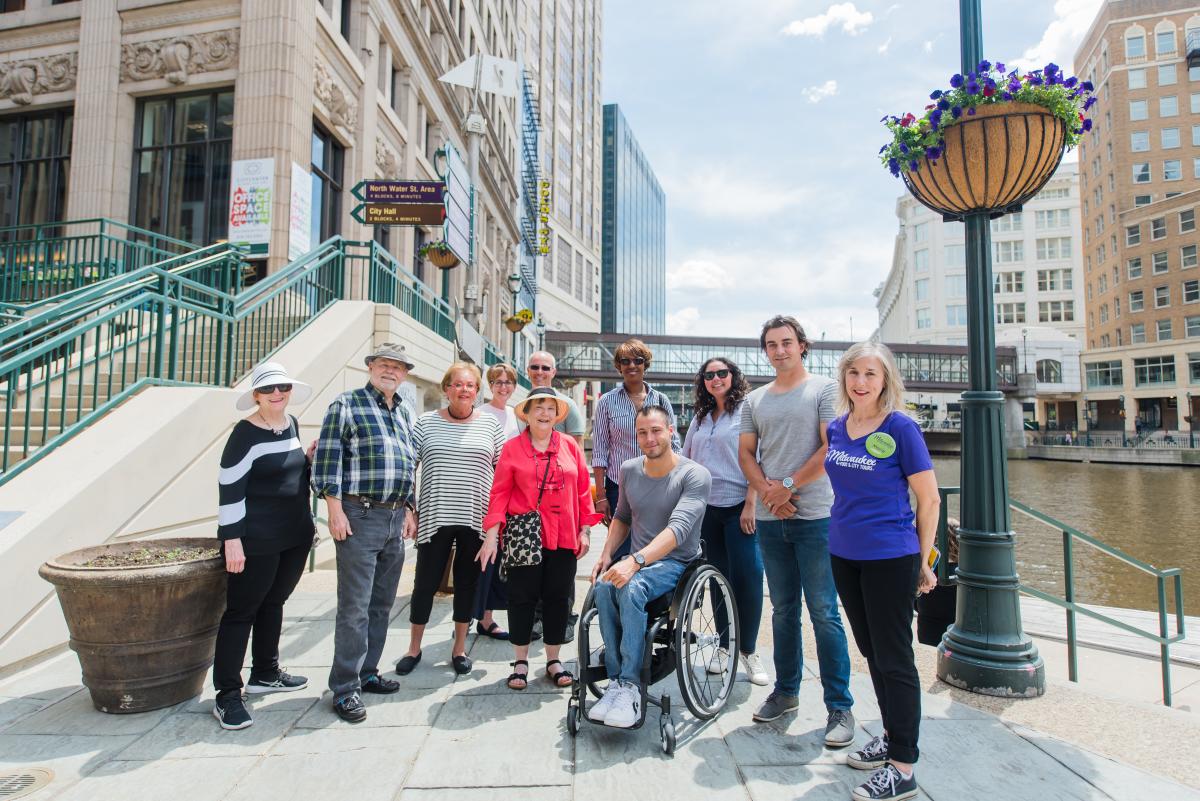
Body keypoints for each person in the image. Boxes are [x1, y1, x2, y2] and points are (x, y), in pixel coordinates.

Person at [825, 341, 939, 801]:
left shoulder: (902, 428)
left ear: (885, 380)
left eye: (871, 374)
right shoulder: (837, 427)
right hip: (843, 554)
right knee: (872, 651)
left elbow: (928, 500)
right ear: (844, 379)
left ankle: (904, 766)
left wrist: (924, 561)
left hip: (891, 556)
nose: (861, 382)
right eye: (854, 373)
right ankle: (892, 736)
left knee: (895, 657)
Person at [737, 314, 855, 747]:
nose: (779, 350)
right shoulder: (755, 400)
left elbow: (832, 445)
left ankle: (839, 707)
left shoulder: (824, 389)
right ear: (765, 351)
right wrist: (768, 493)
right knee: (784, 611)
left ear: (802, 345)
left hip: (817, 517)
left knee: (824, 612)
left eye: (787, 342)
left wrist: (786, 487)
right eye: (771, 344)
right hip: (772, 521)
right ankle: (786, 692)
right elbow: (746, 453)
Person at [312, 343, 417, 724]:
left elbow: (408, 463)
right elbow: (327, 460)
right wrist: (334, 510)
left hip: (393, 518)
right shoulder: (346, 404)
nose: (391, 371)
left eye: (398, 367)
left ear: (404, 374)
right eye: (384, 364)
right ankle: (345, 688)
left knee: (381, 604)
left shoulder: (405, 411)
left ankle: (369, 672)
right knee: (354, 607)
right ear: (371, 366)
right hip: (359, 514)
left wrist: (409, 508)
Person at [587, 406, 711, 728]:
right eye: (642, 432)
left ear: (670, 431)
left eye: (656, 430)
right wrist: (607, 554)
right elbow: (623, 517)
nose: (649, 438)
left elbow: (679, 529)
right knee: (603, 585)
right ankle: (616, 682)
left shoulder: (694, 475)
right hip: (638, 560)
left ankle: (630, 684)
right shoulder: (629, 470)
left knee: (631, 585)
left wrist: (635, 560)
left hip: (677, 562)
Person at [212, 362, 315, 730]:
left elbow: (287, 472)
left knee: (274, 603)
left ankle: (266, 672)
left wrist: (308, 459)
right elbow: (230, 488)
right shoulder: (244, 433)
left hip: (294, 534)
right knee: (241, 612)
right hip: (255, 539)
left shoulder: (291, 424)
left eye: (283, 387)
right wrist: (232, 539)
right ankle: (227, 695)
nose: (277, 394)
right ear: (256, 395)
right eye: (269, 389)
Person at [477, 387, 600, 690]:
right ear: (528, 415)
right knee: (522, 598)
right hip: (525, 537)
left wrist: (585, 530)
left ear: (557, 415)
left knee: (559, 599)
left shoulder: (570, 445)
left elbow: (584, 490)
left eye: (550, 409)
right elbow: (500, 493)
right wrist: (491, 536)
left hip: (564, 536)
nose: (544, 414)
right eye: (538, 408)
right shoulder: (512, 448)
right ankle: (520, 661)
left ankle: (554, 660)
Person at [396, 362, 505, 679]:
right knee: (425, 584)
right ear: (446, 389)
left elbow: (501, 477)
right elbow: (407, 468)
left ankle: (459, 648)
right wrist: (408, 508)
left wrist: (496, 525)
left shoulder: (490, 427)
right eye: (457, 384)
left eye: (470, 385)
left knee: (467, 586)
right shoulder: (425, 423)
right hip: (434, 515)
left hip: (475, 518)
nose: (464, 390)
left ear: (476, 391)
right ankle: (413, 648)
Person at [682, 357, 768, 686]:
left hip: (739, 508)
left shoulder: (748, 410)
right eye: (709, 375)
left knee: (748, 577)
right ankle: (722, 645)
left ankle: (747, 650)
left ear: (733, 376)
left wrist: (751, 504)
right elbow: (687, 459)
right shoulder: (701, 416)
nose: (716, 379)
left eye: (722, 373)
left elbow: (758, 459)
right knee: (717, 579)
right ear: (703, 381)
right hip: (708, 510)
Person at [592, 338, 681, 548]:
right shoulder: (606, 401)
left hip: (658, 485)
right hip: (619, 487)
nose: (632, 365)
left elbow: (674, 445)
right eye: (625, 361)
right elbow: (599, 450)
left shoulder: (661, 400)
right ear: (618, 366)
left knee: (654, 545)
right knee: (620, 548)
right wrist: (601, 497)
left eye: (638, 360)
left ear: (645, 364)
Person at [472, 363, 521, 642]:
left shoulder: (516, 416)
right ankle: (475, 616)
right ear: (490, 385)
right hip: (484, 495)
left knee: (499, 559)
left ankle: (487, 618)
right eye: (498, 381)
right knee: (480, 558)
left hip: (510, 497)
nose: (503, 386)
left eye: (508, 382)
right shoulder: (480, 414)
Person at [525, 351, 586, 447]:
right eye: (535, 367)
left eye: (545, 368)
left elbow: (578, 449)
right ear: (528, 370)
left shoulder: (568, 405)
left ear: (553, 372)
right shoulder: (520, 404)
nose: (539, 372)